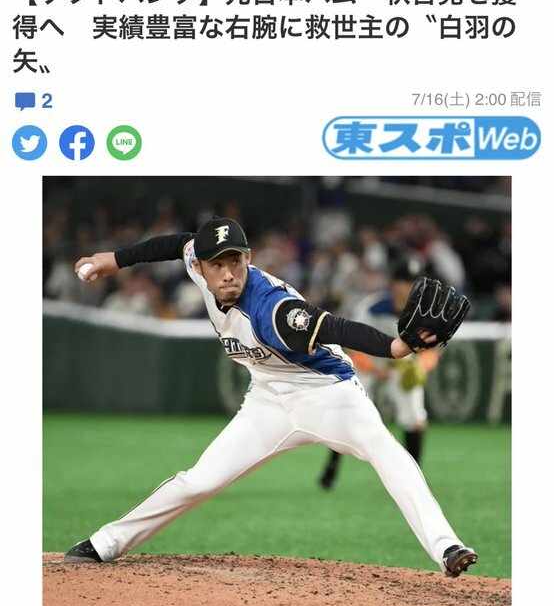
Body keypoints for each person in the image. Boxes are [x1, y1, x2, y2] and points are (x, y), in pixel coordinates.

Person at [65, 217, 477, 577]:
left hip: (328, 394)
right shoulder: (196, 262)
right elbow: (177, 243)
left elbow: (335, 327)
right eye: (217, 264)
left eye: (235, 261)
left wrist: (396, 347)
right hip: (267, 400)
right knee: (199, 481)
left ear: (248, 259)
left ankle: (446, 547)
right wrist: (116, 259)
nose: (228, 273)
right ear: (200, 267)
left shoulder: (273, 310)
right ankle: (106, 543)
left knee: (386, 451)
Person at [318, 254, 438, 489]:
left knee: (415, 416)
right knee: (350, 411)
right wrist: (373, 368)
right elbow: (352, 347)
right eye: (405, 281)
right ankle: (332, 464)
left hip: (403, 365)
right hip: (371, 361)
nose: (410, 287)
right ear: (393, 283)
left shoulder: (425, 312)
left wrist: (423, 366)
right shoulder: (372, 308)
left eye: (414, 282)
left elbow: (432, 351)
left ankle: (415, 477)